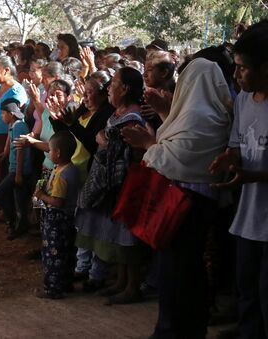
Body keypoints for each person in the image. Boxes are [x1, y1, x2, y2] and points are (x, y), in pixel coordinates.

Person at [122, 58, 232, 338]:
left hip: (185, 203)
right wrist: (162, 115)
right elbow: (174, 142)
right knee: (188, 269)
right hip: (198, 201)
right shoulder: (211, 112)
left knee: (175, 271)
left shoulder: (198, 117)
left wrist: (146, 144)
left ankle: (170, 331)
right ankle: (189, 328)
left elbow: (175, 158)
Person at [209, 21, 268, 339]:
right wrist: (229, 158)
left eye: (243, 69)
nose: (236, 76)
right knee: (247, 291)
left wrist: (255, 176)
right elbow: (237, 143)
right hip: (248, 220)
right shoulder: (244, 101)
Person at [74, 67, 147, 305]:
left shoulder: (133, 117)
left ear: (125, 89)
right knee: (118, 233)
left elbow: (128, 152)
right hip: (114, 183)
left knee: (127, 233)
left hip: (126, 182)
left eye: (113, 83)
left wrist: (104, 141)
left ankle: (131, 285)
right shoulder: (119, 114)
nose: (109, 89)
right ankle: (121, 281)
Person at [48, 71, 114, 292]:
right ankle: (82, 265)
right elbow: (69, 138)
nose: (85, 97)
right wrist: (57, 119)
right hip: (78, 172)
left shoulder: (106, 115)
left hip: (94, 175)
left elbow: (91, 143)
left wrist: (72, 125)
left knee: (98, 223)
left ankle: (97, 272)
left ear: (104, 94)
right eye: (84, 92)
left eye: (90, 93)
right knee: (83, 223)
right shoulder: (83, 111)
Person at [34, 131, 79, 299]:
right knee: (67, 252)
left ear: (58, 153)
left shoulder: (62, 175)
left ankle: (52, 288)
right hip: (69, 219)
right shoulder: (70, 169)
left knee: (53, 255)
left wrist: (41, 195)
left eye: (50, 150)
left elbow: (57, 201)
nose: (49, 153)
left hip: (57, 220)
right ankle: (66, 283)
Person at [0, 56, 29, 194]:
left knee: (4, 168)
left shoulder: (17, 91)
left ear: (6, 70)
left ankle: (4, 202)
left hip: (6, 136)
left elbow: (15, 118)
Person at [0, 98, 32, 240]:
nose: (1, 117)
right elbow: (10, 142)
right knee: (19, 199)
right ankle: (20, 225)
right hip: (15, 168)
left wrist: (19, 174)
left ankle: (12, 221)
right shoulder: (13, 125)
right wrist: (4, 154)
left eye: (3, 114)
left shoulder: (18, 126)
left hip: (19, 170)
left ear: (11, 114)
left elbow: (20, 150)